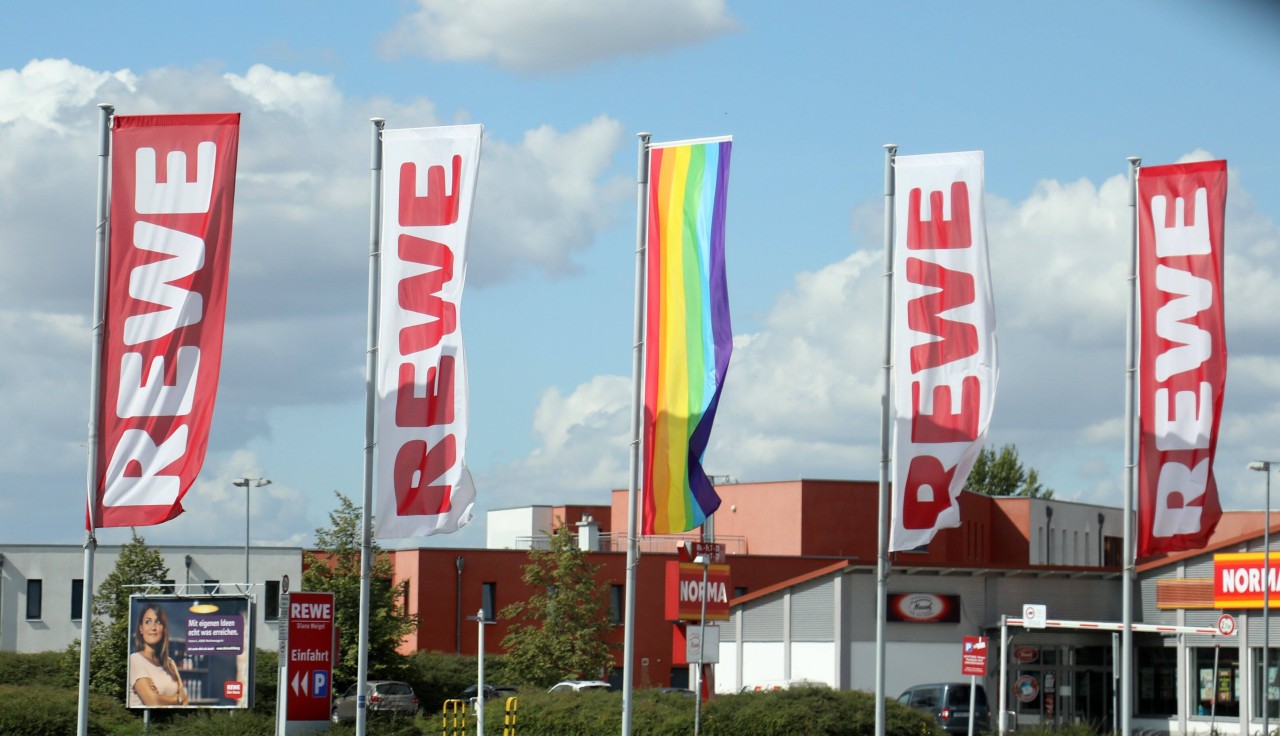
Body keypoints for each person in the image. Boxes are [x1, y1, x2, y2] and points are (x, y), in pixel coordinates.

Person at [128, 604, 189, 708]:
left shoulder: (170, 663)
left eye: (158, 622)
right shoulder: (134, 660)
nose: (153, 627)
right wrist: (178, 698)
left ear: (163, 629)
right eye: (148, 622)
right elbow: (153, 702)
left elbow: (186, 702)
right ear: (141, 629)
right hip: (144, 720)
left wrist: (160, 697)